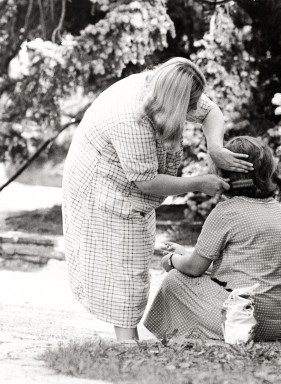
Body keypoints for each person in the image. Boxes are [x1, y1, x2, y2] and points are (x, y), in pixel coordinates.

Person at [62, 57, 253, 342]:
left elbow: (210, 110)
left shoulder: (169, 87)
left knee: (135, 261)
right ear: (175, 102)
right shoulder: (130, 117)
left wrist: (215, 148)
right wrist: (199, 182)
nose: (193, 110)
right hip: (101, 186)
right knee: (124, 269)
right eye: (189, 106)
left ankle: (127, 341)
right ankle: (127, 345)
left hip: (131, 185)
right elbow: (147, 181)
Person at [144, 136, 281, 342]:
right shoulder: (279, 212)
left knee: (175, 280)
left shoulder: (227, 211)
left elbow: (194, 269)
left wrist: (172, 260)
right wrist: (185, 253)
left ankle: (181, 339)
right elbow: (242, 270)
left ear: (222, 174)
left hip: (248, 321)